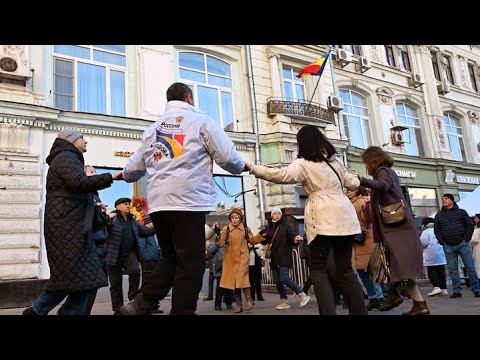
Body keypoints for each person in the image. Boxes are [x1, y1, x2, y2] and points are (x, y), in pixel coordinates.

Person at [118, 82, 246, 315]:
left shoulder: (152, 129)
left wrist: (124, 174)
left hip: (158, 204)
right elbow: (228, 156)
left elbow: (133, 169)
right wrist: (242, 167)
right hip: (188, 200)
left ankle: (142, 302)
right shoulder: (201, 121)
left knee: (170, 258)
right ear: (189, 98)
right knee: (191, 262)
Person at [246, 125, 367, 315]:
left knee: (318, 270)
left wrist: (253, 168)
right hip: (345, 218)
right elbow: (353, 183)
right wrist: (356, 178)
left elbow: (281, 175)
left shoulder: (303, 163)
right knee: (346, 270)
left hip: (323, 219)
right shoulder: (335, 162)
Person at [22, 129, 122, 315]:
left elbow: (76, 190)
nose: (86, 142)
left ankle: (41, 312)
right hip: (66, 230)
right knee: (76, 279)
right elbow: (78, 182)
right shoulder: (65, 157)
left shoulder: (68, 157)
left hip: (71, 229)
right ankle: (39, 311)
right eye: (82, 138)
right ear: (72, 140)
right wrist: (112, 176)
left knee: (81, 279)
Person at [352, 146, 429, 315]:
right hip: (394, 228)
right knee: (397, 267)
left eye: (366, 162)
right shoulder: (385, 171)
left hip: (396, 228)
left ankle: (395, 295)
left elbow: (383, 186)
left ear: (373, 160)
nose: (365, 166)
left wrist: (361, 179)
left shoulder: (383, 171)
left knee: (389, 265)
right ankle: (418, 304)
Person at [57, 165, 115, 315]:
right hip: (91, 245)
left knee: (89, 287)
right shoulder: (84, 193)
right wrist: (106, 216)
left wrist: (99, 210)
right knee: (87, 286)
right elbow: (92, 219)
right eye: (91, 172)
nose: (95, 174)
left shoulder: (94, 194)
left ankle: (69, 311)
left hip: (99, 245)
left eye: (95, 172)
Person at [106, 197, 156, 315]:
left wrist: (156, 228)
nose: (128, 206)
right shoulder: (112, 219)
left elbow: (144, 232)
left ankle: (132, 293)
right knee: (115, 284)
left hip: (129, 253)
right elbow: (103, 230)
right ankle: (117, 309)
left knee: (134, 271)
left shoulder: (132, 220)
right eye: (125, 204)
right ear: (118, 206)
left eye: (129, 204)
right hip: (114, 254)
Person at [213, 207, 264, 313]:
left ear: (240, 218)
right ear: (230, 219)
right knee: (235, 282)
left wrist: (260, 235)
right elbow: (220, 244)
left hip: (242, 258)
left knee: (242, 279)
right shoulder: (226, 229)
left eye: (237, 217)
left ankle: (249, 301)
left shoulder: (245, 229)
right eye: (232, 218)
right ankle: (239, 305)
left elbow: (252, 240)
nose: (235, 220)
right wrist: (218, 235)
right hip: (230, 260)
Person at [262, 208, 310, 310]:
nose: (277, 215)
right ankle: (284, 301)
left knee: (284, 278)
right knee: (278, 281)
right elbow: (265, 241)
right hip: (274, 258)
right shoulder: (269, 228)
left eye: (279, 213)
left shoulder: (286, 226)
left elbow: (292, 239)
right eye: (274, 213)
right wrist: (261, 237)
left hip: (284, 256)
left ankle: (302, 295)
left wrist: (295, 240)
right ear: (272, 216)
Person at [346, 186, 385, 311]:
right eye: (346, 189)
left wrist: (367, 207)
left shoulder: (361, 202)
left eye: (350, 189)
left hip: (365, 240)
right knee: (361, 270)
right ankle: (374, 297)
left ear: (357, 190)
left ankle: (378, 297)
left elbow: (367, 219)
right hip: (356, 241)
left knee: (370, 270)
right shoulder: (349, 203)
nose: (347, 191)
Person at [434, 194, 479, 298]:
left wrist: (466, 239)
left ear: (452, 201)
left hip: (462, 244)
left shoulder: (461, 212)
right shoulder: (439, 215)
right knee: (452, 270)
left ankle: (476, 289)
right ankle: (457, 291)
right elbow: (437, 230)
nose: (444, 200)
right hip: (448, 246)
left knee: (470, 267)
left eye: (446, 198)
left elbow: (470, 225)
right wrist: (442, 242)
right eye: (443, 198)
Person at [420, 217, 448, 297]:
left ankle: (436, 287)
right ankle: (444, 289)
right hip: (441, 254)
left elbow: (423, 243)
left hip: (430, 254)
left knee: (432, 271)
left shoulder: (426, 232)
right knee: (441, 271)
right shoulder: (440, 230)